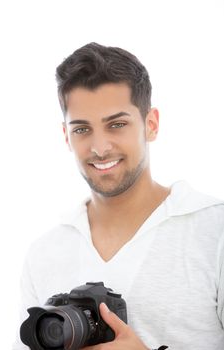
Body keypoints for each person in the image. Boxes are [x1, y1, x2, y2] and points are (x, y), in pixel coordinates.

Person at [13, 42, 224, 350]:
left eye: (117, 124)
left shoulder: (214, 232)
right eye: (82, 130)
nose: (99, 147)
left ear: (150, 125)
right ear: (66, 137)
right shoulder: (43, 254)